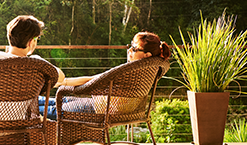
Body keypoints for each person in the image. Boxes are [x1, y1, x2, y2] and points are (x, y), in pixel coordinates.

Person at [38, 31, 171, 119]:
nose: (130, 50)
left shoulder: (130, 70)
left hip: (105, 110)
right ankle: (27, 101)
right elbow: (97, 79)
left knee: (53, 109)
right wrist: (64, 82)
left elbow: (94, 80)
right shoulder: (150, 67)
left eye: (135, 49)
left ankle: (23, 104)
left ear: (146, 55)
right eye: (131, 45)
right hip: (107, 105)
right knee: (59, 100)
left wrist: (64, 83)